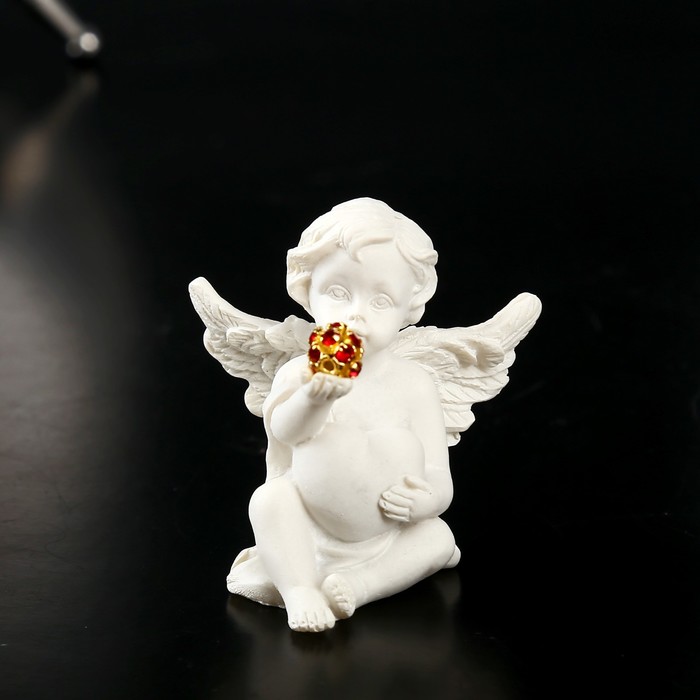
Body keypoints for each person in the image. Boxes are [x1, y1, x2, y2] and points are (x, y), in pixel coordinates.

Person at [226, 198, 459, 632]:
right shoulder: (300, 371)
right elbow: (286, 433)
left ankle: (360, 584)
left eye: (382, 300)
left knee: (438, 537)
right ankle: (300, 589)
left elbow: (437, 473)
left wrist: (427, 501)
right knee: (271, 500)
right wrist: (314, 399)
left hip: (386, 532)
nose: (356, 313)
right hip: (309, 528)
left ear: (410, 310)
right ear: (307, 291)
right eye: (338, 293)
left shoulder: (415, 383)